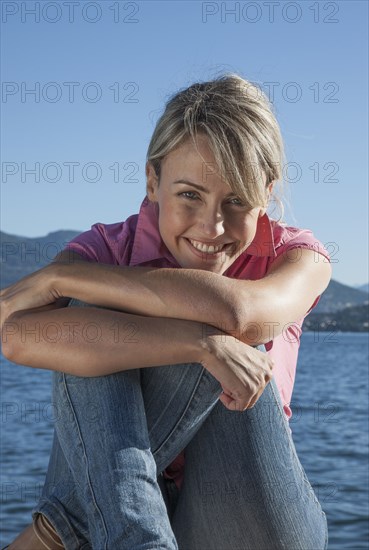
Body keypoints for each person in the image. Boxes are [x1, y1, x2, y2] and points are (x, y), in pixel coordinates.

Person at [1, 73, 331, 550]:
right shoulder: (110, 247)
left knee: (231, 334)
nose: (212, 226)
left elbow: (235, 312)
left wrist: (61, 278)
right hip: (121, 506)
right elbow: (19, 337)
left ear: (267, 194)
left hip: (248, 519)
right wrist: (198, 346)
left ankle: (58, 531)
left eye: (237, 200)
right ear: (153, 180)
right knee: (90, 314)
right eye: (190, 194)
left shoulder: (297, 257)